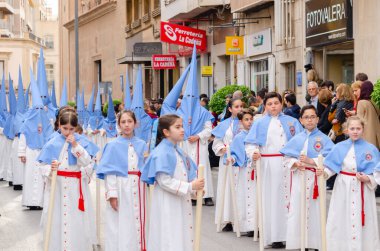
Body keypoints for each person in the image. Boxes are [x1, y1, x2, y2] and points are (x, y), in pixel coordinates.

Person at [245, 92, 303, 249]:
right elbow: (250, 144)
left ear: (281, 104)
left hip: (290, 163)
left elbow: (301, 141)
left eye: (276, 103)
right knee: (272, 199)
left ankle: (292, 236)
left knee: (291, 198)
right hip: (269, 165)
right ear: (265, 106)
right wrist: (254, 153)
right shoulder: (259, 123)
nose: (273, 106)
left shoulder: (292, 122)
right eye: (269, 104)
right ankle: (275, 236)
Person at [141, 114, 204, 251]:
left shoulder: (178, 151)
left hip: (180, 199)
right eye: (177, 127)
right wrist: (190, 186)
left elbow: (185, 174)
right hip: (167, 201)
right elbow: (164, 181)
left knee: (181, 234)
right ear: (166, 132)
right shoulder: (161, 152)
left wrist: (195, 189)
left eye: (182, 126)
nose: (182, 130)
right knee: (170, 236)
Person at [38, 109, 99, 251]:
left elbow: (87, 162)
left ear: (76, 128)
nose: (68, 132)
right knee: (57, 219)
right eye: (65, 128)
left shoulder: (81, 142)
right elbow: (42, 166)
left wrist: (75, 146)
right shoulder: (52, 143)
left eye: (71, 129)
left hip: (75, 188)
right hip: (57, 187)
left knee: (76, 220)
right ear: (59, 125)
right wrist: (50, 169)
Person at [318, 116, 379, 250]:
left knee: (362, 220)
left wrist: (368, 178)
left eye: (358, 128)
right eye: (352, 128)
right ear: (346, 130)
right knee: (341, 218)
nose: (355, 131)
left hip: (362, 187)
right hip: (343, 187)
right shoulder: (339, 147)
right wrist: (324, 173)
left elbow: (377, 171)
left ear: (363, 130)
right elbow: (331, 167)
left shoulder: (371, 149)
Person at [280, 105, 334, 250]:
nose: (309, 120)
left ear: (317, 119)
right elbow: (286, 158)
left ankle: (315, 243)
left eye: (312, 117)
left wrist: (313, 161)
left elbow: (332, 160)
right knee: (298, 209)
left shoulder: (324, 139)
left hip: (316, 179)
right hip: (300, 178)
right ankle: (298, 242)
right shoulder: (296, 139)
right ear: (301, 120)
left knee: (316, 211)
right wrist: (296, 163)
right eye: (306, 117)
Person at [97, 110, 148, 251]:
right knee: (119, 222)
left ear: (135, 123)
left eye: (129, 121)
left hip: (139, 187)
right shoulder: (112, 145)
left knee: (137, 220)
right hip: (121, 186)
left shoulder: (142, 144)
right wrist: (112, 194)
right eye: (123, 122)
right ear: (119, 125)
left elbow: (145, 166)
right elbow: (109, 172)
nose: (127, 125)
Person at [19, 72, 54, 210]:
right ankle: (29, 201)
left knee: (41, 177)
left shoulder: (47, 123)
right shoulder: (27, 123)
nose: (39, 111)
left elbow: (50, 138)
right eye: (37, 108)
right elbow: (23, 137)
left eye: (41, 108)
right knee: (29, 177)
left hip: (42, 154)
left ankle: (39, 202)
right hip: (30, 152)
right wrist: (22, 153)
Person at [212, 98, 243, 232]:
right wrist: (222, 148)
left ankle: (243, 220)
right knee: (228, 190)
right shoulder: (224, 125)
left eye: (241, 106)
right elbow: (216, 142)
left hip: (243, 162)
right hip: (228, 161)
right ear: (230, 109)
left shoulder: (248, 122)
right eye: (236, 106)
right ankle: (229, 219)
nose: (240, 109)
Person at [227, 108, 255, 237]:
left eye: (251, 119)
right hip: (244, 171)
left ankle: (256, 225)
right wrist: (231, 158)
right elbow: (234, 154)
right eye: (246, 120)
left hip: (256, 170)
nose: (249, 122)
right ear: (240, 122)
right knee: (244, 197)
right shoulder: (238, 138)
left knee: (256, 197)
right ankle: (246, 225)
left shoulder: (257, 135)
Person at [355, 81, 380, 148]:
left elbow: (359, 120)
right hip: (376, 135)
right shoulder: (373, 103)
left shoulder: (361, 102)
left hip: (366, 136)